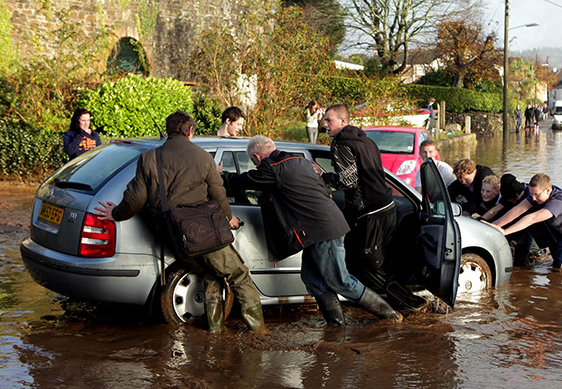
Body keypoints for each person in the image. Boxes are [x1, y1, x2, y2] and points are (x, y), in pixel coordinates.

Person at [94, 110, 266, 334]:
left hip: (171, 233)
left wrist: (115, 213)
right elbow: (218, 194)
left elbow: (136, 199)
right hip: (203, 231)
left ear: (168, 131)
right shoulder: (203, 157)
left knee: (210, 274)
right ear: (190, 131)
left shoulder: (148, 158)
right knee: (239, 275)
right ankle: (259, 331)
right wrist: (229, 217)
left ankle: (215, 331)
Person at [221, 136, 401, 325]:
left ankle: (390, 316)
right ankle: (336, 324)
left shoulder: (274, 169)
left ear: (257, 157)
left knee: (340, 281)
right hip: (320, 229)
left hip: (323, 231)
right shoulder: (300, 161)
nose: (255, 165)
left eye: (253, 161)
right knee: (312, 279)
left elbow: (245, 180)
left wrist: (221, 176)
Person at [319, 104, 397, 293]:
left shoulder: (342, 144)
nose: (325, 125)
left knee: (368, 264)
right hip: (387, 205)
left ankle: (390, 308)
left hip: (369, 211)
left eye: (329, 120)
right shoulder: (366, 141)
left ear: (343, 121)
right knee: (381, 261)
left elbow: (348, 181)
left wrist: (323, 177)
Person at [480, 173, 562, 268]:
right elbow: (495, 210)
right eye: (510, 201)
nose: (513, 202)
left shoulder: (532, 193)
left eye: (515, 200)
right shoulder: (508, 194)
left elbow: (533, 218)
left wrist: (505, 231)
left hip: (547, 227)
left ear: (521, 193)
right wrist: (482, 222)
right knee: (520, 259)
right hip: (524, 226)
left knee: (559, 264)